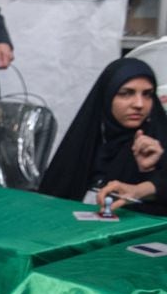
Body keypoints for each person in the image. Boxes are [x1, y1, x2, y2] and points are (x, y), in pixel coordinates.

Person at [41, 58, 166, 216]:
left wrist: (149, 171)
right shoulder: (87, 139)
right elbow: (52, 198)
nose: (139, 104)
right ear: (106, 97)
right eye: (126, 94)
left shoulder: (157, 142)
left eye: (148, 94)